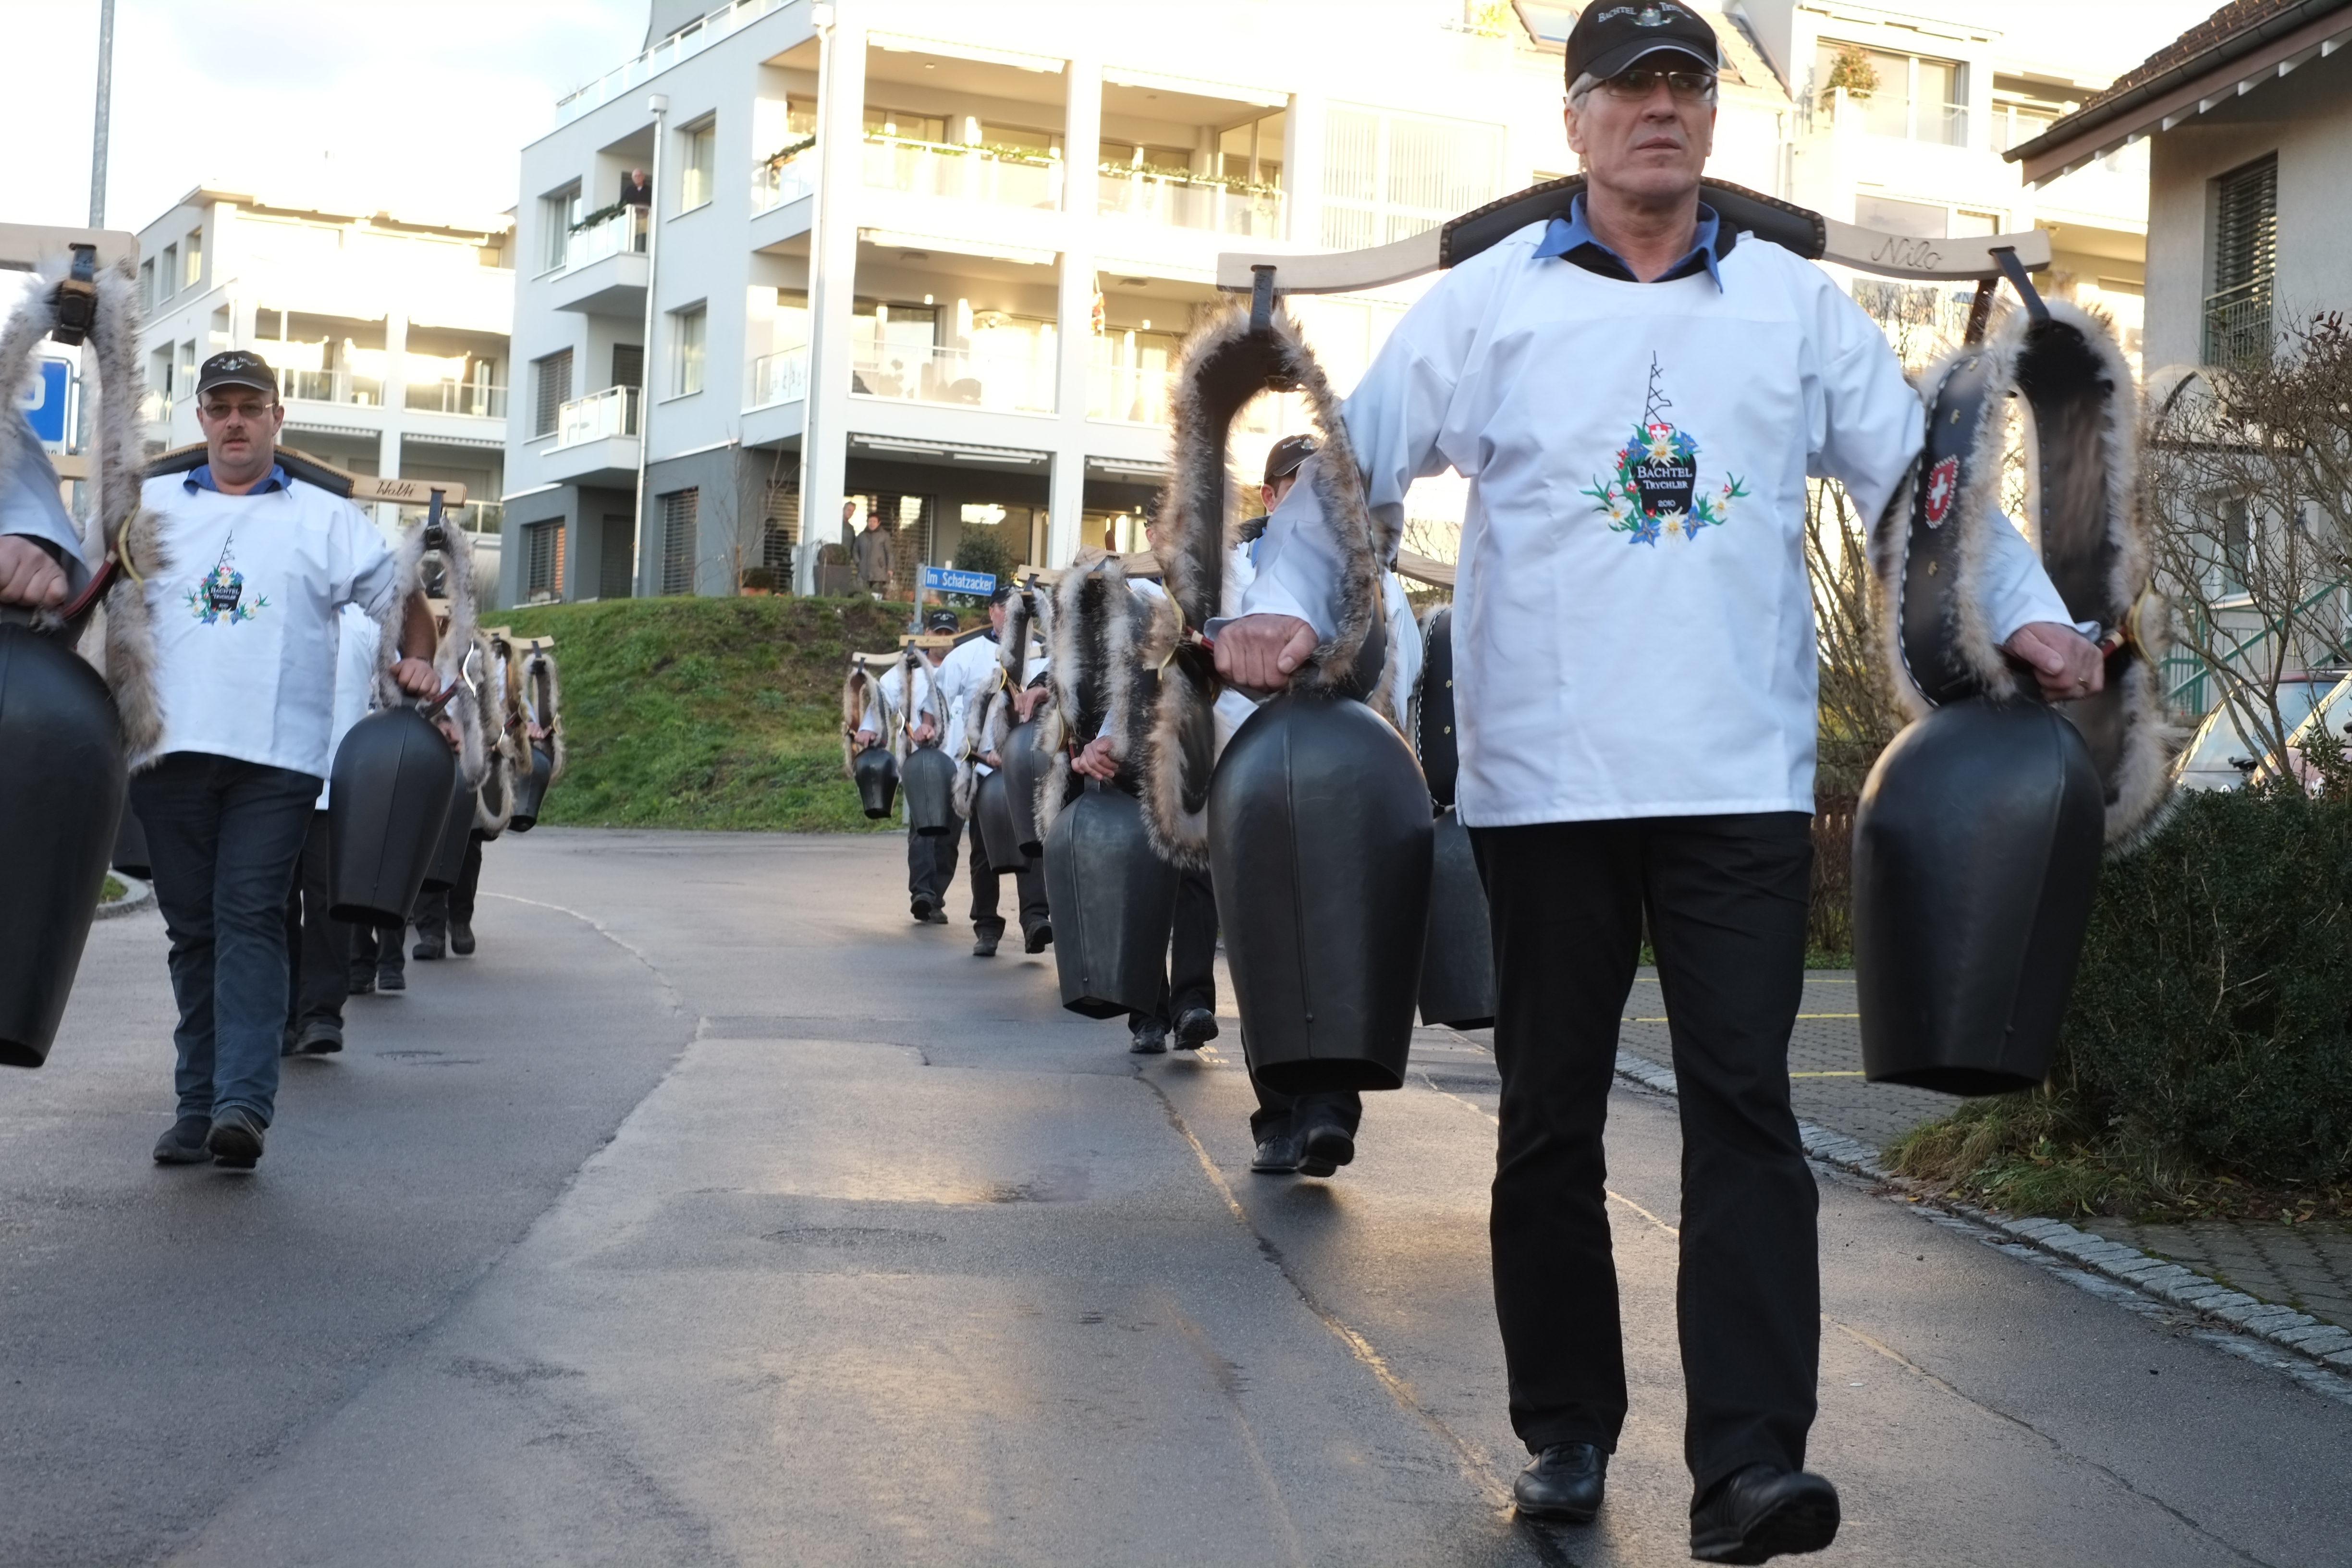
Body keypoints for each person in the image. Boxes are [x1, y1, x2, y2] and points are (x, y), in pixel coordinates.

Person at [1212, 4, 2104, 1557]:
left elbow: (1923, 485)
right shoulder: (1489, 300)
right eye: (1628, 88)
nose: (1659, 109)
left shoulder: (1791, 305)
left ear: (1708, 119)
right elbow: (1352, 471)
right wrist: (1282, 602)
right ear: (1574, 120)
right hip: (1542, 784)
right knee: (1548, 1119)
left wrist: (2025, 613)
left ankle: (1749, 1466)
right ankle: (1565, 1428)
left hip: (1734, 781)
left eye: (1684, 85)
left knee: (1745, 1113)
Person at [49, 351, 438, 1170]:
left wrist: (417, 658)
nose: (235, 421)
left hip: (278, 760)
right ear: (201, 418)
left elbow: (401, 598)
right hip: (167, 753)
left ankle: (242, 1105)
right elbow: (78, 592)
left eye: (250, 407)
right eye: (220, 406)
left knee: (252, 915)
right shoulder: (145, 506)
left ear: (276, 419)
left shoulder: (326, 517)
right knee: (193, 931)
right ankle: (197, 1105)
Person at [280, 604, 380, 1056]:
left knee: (328, 906)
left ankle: (320, 1015)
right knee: (273, 906)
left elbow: (399, 682)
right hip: (273, 785)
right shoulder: (284, 603)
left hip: (340, 789)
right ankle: (282, 1013)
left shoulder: (366, 624)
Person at [936, 585, 1051, 957]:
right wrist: (973, 751)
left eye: (1023, 609)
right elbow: (939, 706)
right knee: (984, 852)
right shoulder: (967, 655)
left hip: (1030, 767)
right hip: (986, 768)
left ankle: (1035, 919)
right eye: (1008, 608)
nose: (1015, 615)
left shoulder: (1044, 655)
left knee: (1033, 846)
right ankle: (986, 925)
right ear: (993, 612)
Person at [855, 608, 957, 922]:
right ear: (927, 634)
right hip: (921, 764)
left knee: (950, 837)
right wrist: (870, 728)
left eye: (948, 634)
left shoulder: (962, 665)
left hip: (960, 763)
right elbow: (882, 698)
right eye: (937, 633)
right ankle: (922, 893)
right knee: (922, 830)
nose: (942, 639)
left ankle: (936, 896)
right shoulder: (909, 669)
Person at [851, 503, 893, 598]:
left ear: (879, 523)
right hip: (864, 572)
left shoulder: (884, 536)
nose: (872, 523)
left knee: (877, 596)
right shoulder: (862, 536)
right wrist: (858, 563)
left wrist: (890, 568)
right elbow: (855, 550)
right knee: (863, 596)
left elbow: (890, 553)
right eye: (870, 521)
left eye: (874, 521)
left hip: (879, 572)